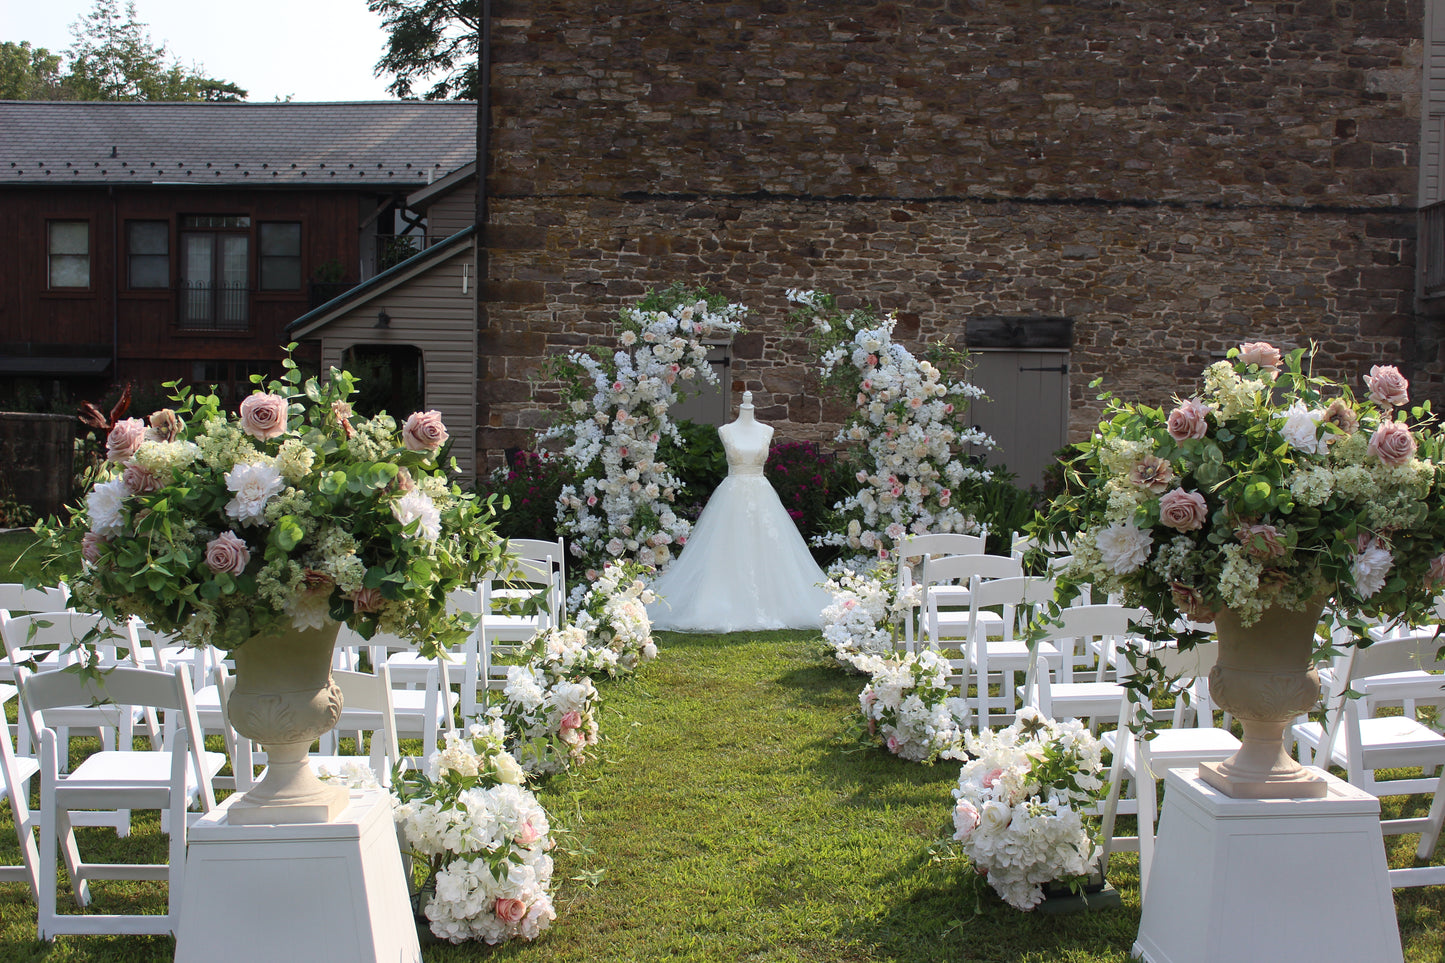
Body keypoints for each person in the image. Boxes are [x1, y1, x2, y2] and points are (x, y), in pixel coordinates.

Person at [647, 392, 834, 632]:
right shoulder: (726, 431)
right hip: (732, 496)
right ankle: (720, 601)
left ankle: (773, 602)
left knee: (768, 546)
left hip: (762, 497)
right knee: (726, 547)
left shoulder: (766, 430)